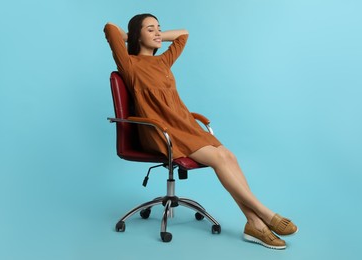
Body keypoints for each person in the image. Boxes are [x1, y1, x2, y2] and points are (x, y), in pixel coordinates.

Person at [104, 13, 297, 250]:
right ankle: (265, 213)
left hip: (185, 125)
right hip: (160, 131)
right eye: (150, 29)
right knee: (218, 158)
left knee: (228, 156)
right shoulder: (129, 64)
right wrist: (130, 36)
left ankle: (254, 223)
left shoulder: (163, 61)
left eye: (159, 28)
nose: (157, 33)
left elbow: (183, 34)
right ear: (137, 35)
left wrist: (156, 36)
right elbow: (110, 28)